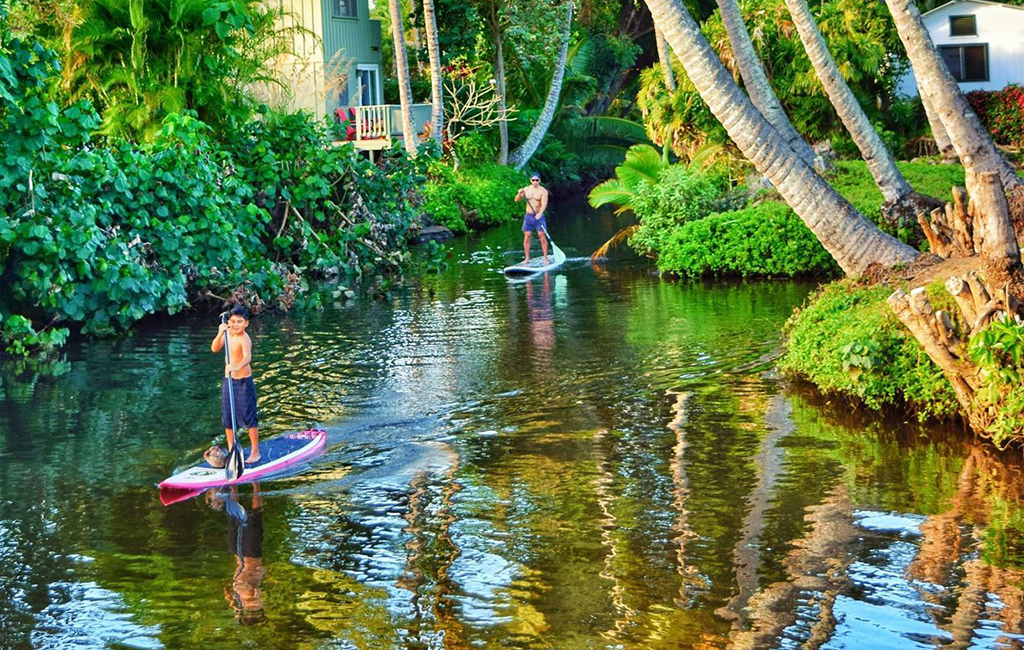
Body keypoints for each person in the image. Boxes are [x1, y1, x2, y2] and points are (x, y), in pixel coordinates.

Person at [211, 305, 260, 464]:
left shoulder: (244, 338)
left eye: (239, 321)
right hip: (229, 382)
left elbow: (247, 357)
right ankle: (233, 449)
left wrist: (236, 366)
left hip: (243, 382)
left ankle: (255, 452)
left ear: (246, 323)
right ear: (228, 322)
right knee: (227, 417)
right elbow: (214, 348)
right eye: (233, 321)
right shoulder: (227, 334)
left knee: (248, 416)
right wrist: (220, 333)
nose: (236, 324)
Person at [514, 173, 550, 265]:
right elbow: (517, 200)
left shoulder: (543, 191)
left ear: (539, 181)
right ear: (530, 180)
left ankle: (545, 258)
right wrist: (519, 194)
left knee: (541, 236)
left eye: (537, 180)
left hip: (539, 216)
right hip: (528, 216)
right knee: (527, 236)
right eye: (533, 180)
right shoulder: (526, 189)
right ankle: (527, 258)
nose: (535, 182)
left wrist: (540, 213)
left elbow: (544, 204)